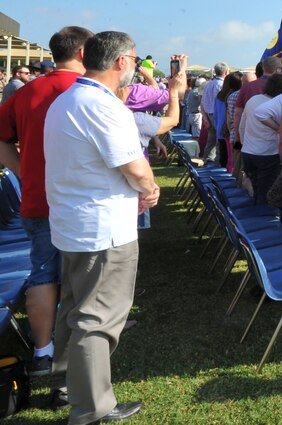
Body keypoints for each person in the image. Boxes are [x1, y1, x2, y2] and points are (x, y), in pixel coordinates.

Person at [44, 31, 159, 424]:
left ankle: (65, 382)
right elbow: (133, 167)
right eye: (135, 58)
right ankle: (92, 407)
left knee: (74, 309)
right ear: (122, 62)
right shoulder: (102, 106)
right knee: (98, 319)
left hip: (74, 223)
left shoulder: (67, 100)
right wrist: (150, 188)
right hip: (102, 229)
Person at [0, 26, 93, 386]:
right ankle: (77, 352)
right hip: (80, 200)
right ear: (84, 53)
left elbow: (2, 140)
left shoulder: (27, 92)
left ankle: (42, 350)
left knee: (43, 269)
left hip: (38, 197)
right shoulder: (88, 91)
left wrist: (25, 172)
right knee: (82, 275)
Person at [239, 73, 282, 204]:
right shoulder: (278, 104)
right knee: (266, 193)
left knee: (256, 189)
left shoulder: (253, 100)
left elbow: (242, 125)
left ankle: (254, 213)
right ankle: (262, 219)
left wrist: (243, 144)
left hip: (248, 152)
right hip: (268, 154)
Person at [200, 62, 229, 160]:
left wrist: (205, 116)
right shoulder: (221, 85)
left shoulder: (209, 84)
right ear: (226, 72)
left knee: (211, 139)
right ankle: (217, 161)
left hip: (208, 113)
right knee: (219, 140)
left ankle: (207, 158)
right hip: (217, 115)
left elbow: (202, 102)